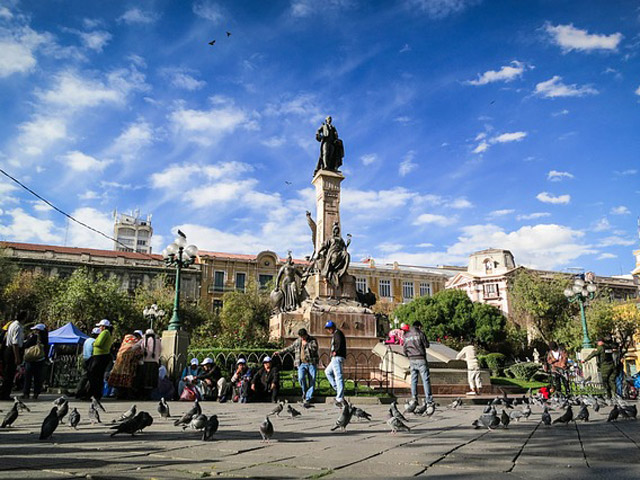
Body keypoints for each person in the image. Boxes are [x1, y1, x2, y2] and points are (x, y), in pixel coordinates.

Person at [275, 328, 319, 406]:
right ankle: (305, 391)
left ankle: (308, 398)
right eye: (301, 337)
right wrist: (280, 352)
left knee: (312, 380)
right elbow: (290, 348)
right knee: (301, 378)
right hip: (301, 363)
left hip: (311, 363)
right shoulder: (298, 341)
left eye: (303, 336)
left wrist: (306, 345)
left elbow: (314, 349)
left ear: (306, 335)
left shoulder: (312, 340)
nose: (302, 338)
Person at [403, 320, 434, 407]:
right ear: (419, 326)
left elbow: (404, 349)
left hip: (412, 359)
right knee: (425, 379)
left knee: (413, 380)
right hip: (421, 359)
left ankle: (414, 398)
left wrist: (408, 356)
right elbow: (427, 345)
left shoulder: (406, 335)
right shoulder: (420, 333)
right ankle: (429, 400)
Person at [108, 331, 143, 397]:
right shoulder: (134, 345)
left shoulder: (124, 344)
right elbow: (138, 354)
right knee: (127, 383)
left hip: (118, 367)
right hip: (128, 368)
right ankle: (126, 395)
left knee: (119, 384)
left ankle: (118, 394)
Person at [1, 311, 25, 400]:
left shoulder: (12, 324)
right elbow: (15, 343)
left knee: (7, 374)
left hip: (8, 350)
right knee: (9, 374)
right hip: (12, 351)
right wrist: (17, 357)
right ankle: (5, 394)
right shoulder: (18, 327)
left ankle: (4, 392)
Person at [87, 319, 113, 400]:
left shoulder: (105, 333)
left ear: (104, 327)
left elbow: (98, 343)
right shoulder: (108, 334)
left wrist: (94, 343)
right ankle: (96, 393)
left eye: (100, 326)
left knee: (94, 375)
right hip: (102, 356)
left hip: (99, 356)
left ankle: (94, 393)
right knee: (98, 376)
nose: (100, 328)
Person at [22, 323, 48, 400]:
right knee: (38, 378)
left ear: (38, 330)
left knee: (28, 377)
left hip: (31, 360)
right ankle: (36, 393)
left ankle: (26, 393)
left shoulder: (34, 337)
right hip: (40, 360)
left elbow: (26, 345)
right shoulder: (45, 338)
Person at [324, 321, 346, 407]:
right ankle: (338, 389)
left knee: (338, 376)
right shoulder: (335, 334)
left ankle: (339, 397)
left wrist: (335, 352)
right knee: (327, 372)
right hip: (335, 358)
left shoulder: (338, 333)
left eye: (329, 328)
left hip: (337, 357)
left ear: (332, 327)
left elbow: (339, 344)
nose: (328, 330)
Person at [140, 329, 162, 397]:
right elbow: (160, 350)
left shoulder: (144, 341)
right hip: (154, 363)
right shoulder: (158, 341)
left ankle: (145, 395)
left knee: (145, 379)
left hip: (146, 362)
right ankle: (151, 395)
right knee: (153, 379)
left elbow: (142, 350)